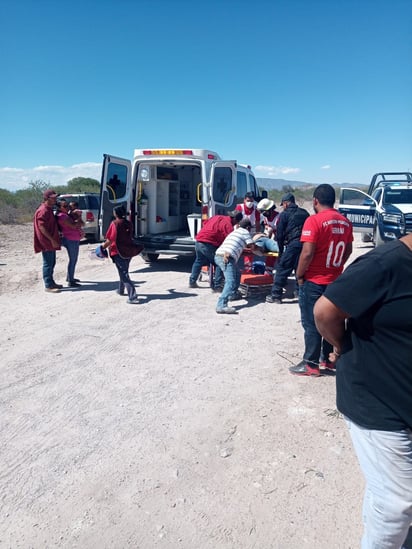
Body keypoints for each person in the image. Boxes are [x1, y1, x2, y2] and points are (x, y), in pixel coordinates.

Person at [313, 233, 412, 549]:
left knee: (388, 488)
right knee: (397, 505)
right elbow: (325, 311)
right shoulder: (386, 264)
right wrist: (341, 345)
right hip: (377, 398)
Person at [289, 184, 353, 376]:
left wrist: (299, 274)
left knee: (311, 322)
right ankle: (328, 359)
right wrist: (337, 265)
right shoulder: (345, 222)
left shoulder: (314, 221)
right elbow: (348, 249)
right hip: (335, 280)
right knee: (331, 320)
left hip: (315, 280)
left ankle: (310, 363)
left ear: (315, 201)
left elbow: (307, 253)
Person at [266, 192, 309, 303]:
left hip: (293, 244)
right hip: (305, 245)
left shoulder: (284, 215)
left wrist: (280, 252)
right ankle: (300, 293)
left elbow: (279, 235)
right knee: (301, 269)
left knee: (282, 269)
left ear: (285, 203)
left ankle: (276, 295)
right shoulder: (305, 213)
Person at [189, 210, 243, 289]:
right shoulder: (228, 226)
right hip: (208, 243)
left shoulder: (217, 217)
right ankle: (218, 286)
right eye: (237, 222)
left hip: (199, 240)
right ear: (235, 219)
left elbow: (205, 223)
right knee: (219, 262)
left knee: (198, 261)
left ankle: (192, 282)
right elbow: (229, 241)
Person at [101, 205, 143, 304]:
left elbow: (110, 239)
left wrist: (102, 248)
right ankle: (121, 290)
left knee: (124, 274)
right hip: (129, 250)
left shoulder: (115, 223)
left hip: (118, 251)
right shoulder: (128, 223)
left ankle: (133, 297)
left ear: (116, 213)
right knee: (124, 270)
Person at [214, 218, 255, 314]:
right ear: (248, 227)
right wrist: (261, 249)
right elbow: (252, 246)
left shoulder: (235, 232)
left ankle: (233, 294)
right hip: (226, 257)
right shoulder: (245, 232)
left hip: (220, 255)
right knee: (230, 281)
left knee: (237, 274)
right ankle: (221, 305)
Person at [33, 189, 62, 293]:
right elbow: (42, 227)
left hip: (50, 240)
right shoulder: (43, 210)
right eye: (53, 197)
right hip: (47, 241)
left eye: (55, 197)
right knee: (48, 263)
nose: (55, 199)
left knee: (52, 262)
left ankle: (51, 282)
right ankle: (48, 285)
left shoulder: (49, 209)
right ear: (47, 198)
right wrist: (52, 239)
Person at [56, 199, 84, 287]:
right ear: (59, 208)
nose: (67, 207)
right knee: (73, 259)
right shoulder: (62, 216)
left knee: (73, 259)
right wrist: (77, 217)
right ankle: (71, 280)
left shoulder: (66, 215)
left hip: (73, 238)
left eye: (67, 205)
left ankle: (70, 277)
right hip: (70, 238)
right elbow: (73, 225)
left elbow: (80, 224)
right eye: (64, 206)